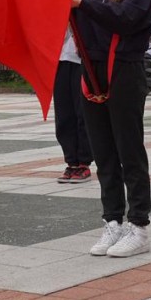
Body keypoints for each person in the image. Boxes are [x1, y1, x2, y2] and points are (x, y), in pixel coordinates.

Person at [72, 0, 151, 259]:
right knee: (103, 153)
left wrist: (83, 6)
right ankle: (112, 221)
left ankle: (139, 225)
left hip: (124, 72)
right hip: (91, 75)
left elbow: (124, 18)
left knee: (128, 150)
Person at [52, 29, 95, 184]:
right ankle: (71, 162)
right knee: (63, 113)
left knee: (82, 112)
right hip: (60, 59)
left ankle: (84, 162)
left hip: (81, 59)